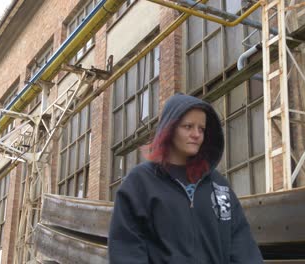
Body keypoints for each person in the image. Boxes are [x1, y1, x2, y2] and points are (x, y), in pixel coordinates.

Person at [108, 93, 263, 263]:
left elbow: (242, 246)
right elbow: (126, 248)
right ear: (169, 129)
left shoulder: (218, 186)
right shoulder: (140, 182)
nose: (196, 134)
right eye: (188, 126)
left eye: (201, 129)